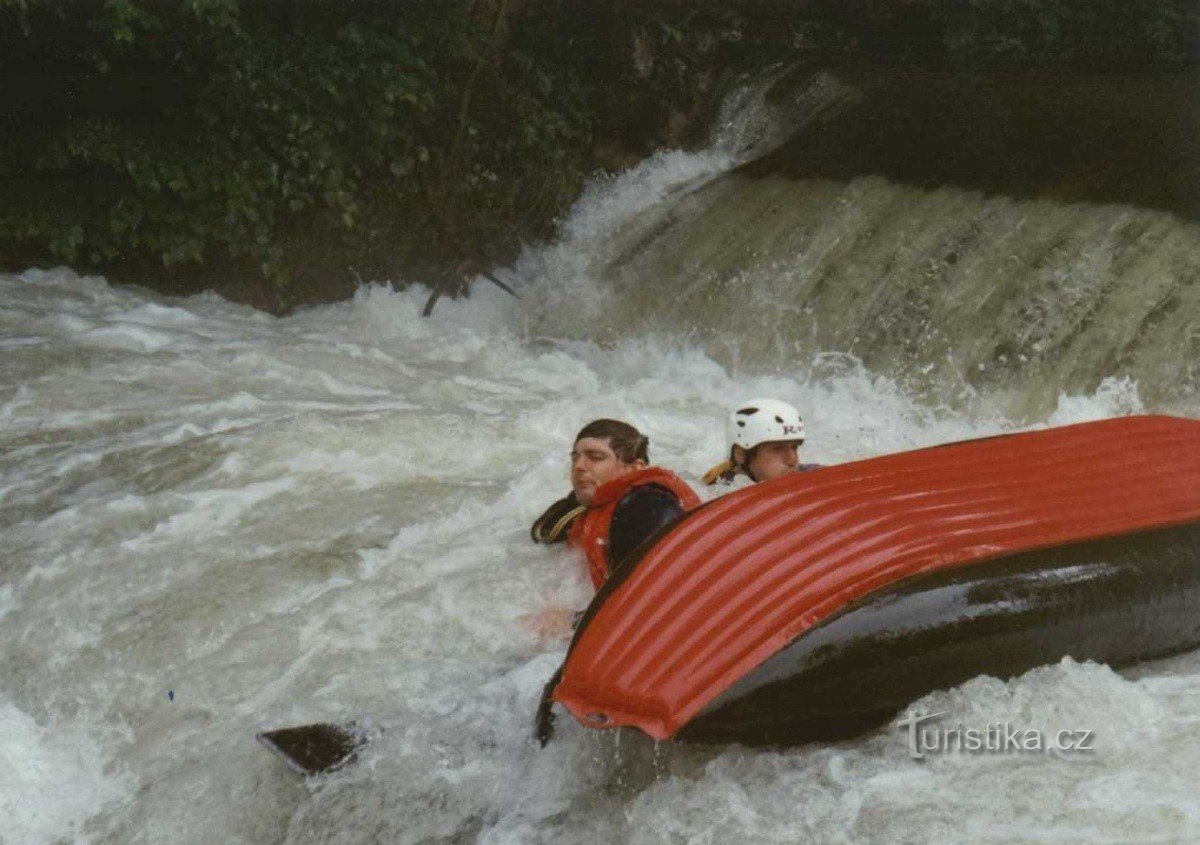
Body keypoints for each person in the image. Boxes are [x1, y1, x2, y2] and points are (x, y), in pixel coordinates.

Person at [531, 418, 700, 589]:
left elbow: (646, 594)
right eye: (575, 458)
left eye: (595, 457)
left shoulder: (648, 507)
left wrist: (570, 616)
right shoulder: (578, 510)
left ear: (635, 468)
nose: (578, 466)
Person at [702, 398, 821, 486]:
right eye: (777, 449)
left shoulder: (812, 473)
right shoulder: (720, 492)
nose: (792, 461)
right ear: (740, 454)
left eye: (794, 447)